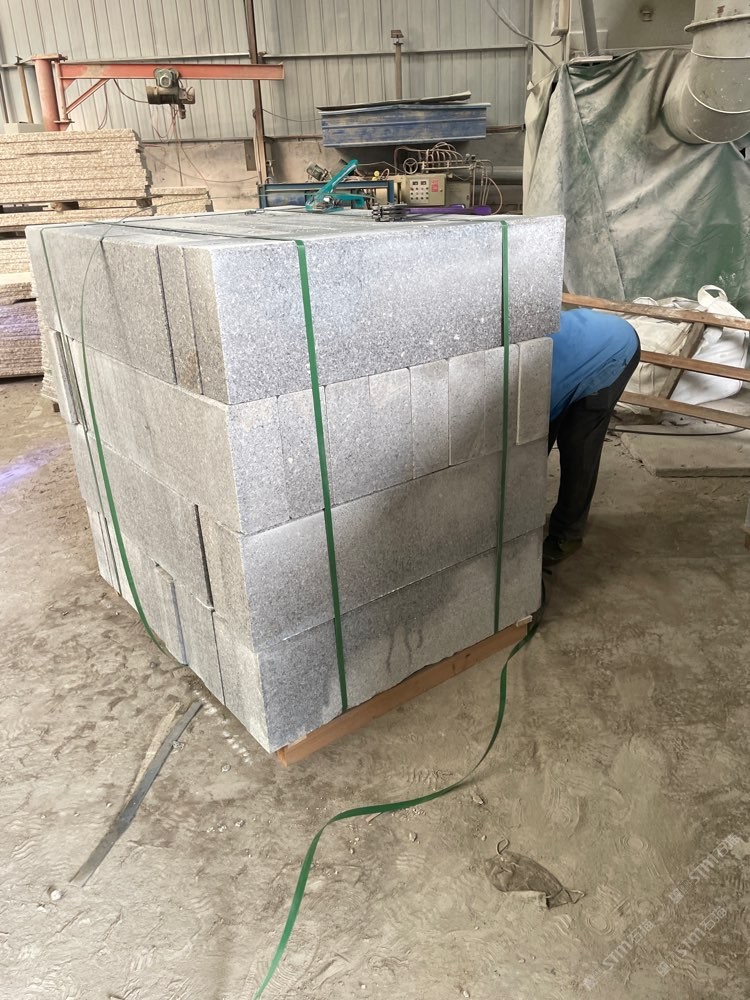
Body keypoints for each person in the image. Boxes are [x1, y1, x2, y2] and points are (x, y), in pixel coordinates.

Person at [544, 308, 641, 567]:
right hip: (584, 344)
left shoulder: (543, 383)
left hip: (614, 351)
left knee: (578, 445)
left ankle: (568, 534)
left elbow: (533, 447)